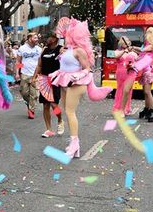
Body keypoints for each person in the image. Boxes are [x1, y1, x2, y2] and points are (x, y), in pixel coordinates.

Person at [49, 18, 112, 158]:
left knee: (70, 112)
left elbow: (88, 69)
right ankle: (74, 144)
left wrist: (76, 77)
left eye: (68, 33)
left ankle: (75, 143)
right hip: (66, 82)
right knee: (67, 111)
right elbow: (63, 65)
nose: (65, 35)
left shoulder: (79, 51)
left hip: (77, 84)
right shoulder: (68, 49)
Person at [35, 31, 65, 138]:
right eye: (47, 37)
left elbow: (66, 59)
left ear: (55, 39)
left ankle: (60, 120)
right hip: (44, 79)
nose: (48, 39)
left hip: (55, 79)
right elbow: (39, 65)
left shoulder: (60, 49)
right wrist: (34, 77)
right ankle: (48, 129)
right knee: (45, 105)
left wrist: (63, 54)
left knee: (53, 104)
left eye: (50, 37)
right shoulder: (44, 50)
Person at [136, 27, 153, 123]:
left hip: (149, 71)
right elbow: (141, 50)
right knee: (145, 91)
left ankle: (151, 111)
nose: (145, 35)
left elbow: (142, 50)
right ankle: (147, 109)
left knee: (147, 91)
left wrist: (134, 48)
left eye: (147, 33)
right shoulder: (147, 45)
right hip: (145, 70)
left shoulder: (151, 46)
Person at [16, 32, 42, 119]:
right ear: (30, 38)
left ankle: (31, 110)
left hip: (35, 75)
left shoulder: (39, 49)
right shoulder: (22, 49)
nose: (37, 39)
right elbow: (18, 62)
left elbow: (41, 63)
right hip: (24, 74)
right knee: (24, 93)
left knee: (34, 94)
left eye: (37, 38)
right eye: (35, 38)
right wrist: (17, 73)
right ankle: (29, 105)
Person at [112, 36, 139, 116]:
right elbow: (116, 56)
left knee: (128, 91)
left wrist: (132, 64)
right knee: (120, 90)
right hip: (120, 73)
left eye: (127, 42)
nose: (125, 43)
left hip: (130, 73)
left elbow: (138, 60)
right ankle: (118, 108)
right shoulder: (117, 51)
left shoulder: (133, 52)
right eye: (123, 42)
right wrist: (124, 51)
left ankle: (126, 108)